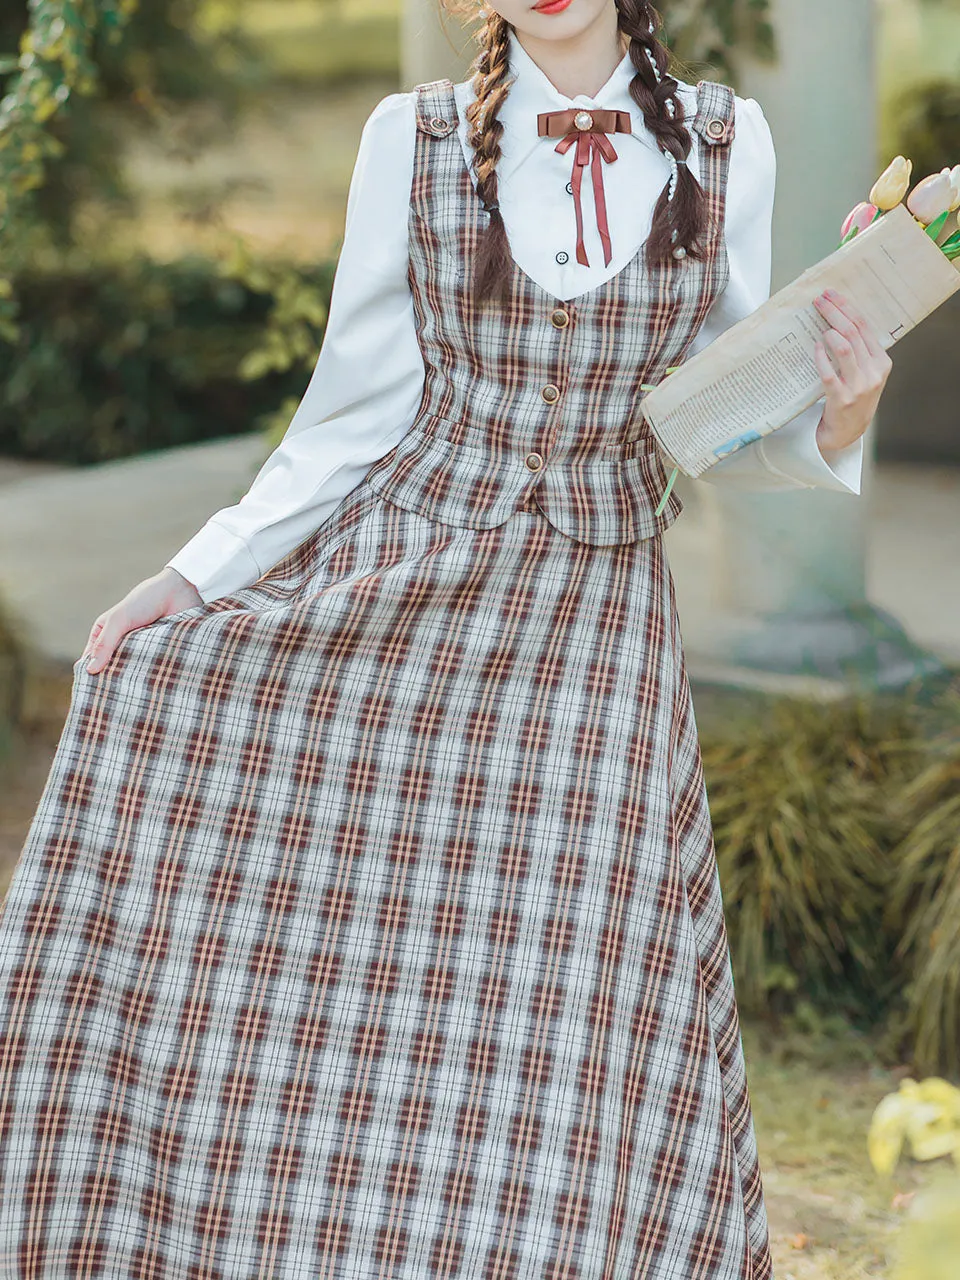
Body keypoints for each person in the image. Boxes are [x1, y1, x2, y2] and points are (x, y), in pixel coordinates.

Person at [0, 1, 891, 1276]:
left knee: (560, 1011)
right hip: (411, 596)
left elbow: (720, 422)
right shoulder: (407, 139)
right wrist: (191, 581)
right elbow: (346, 422)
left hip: (592, 642)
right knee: (371, 1003)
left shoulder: (720, 140)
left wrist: (841, 409)